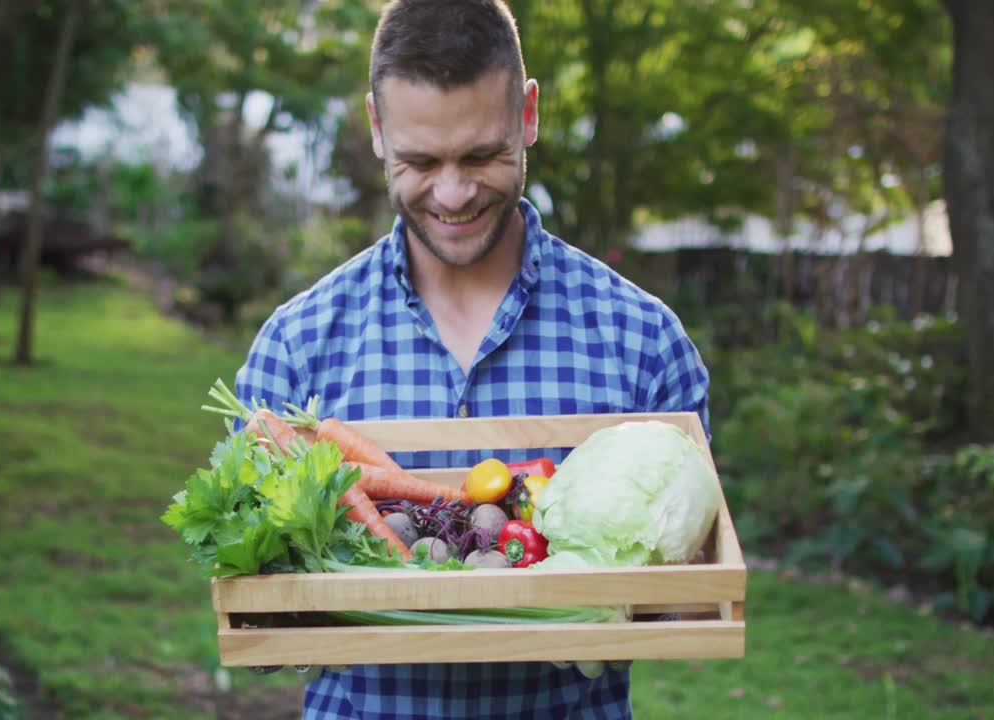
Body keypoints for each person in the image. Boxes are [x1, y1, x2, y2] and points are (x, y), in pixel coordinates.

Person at [233, 0, 710, 717]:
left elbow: (695, 592)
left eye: (482, 155)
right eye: (421, 162)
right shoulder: (298, 344)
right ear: (375, 129)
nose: (453, 194)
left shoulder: (642, 340)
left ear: (528, 115)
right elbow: (256, 611)